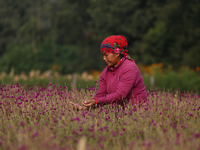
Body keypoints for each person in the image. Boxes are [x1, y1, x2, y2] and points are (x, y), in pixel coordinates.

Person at [70, 35, 148, 110]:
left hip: (137, 114)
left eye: (106, 55)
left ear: (117, 53)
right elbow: (101, 95)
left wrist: (96, 101)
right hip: (120, 115)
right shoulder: (106, 71)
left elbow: (120, 95)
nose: (103, 58)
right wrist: (85, 107)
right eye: (103, 55)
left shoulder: (129, 68)